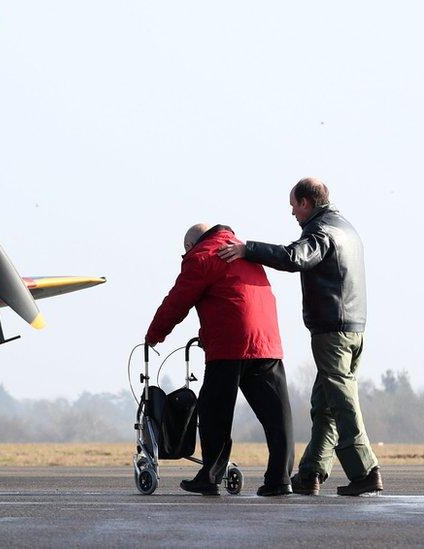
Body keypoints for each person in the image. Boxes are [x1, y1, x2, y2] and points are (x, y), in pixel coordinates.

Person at [219, 178, 382, 496]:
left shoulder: (321, 232)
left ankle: (365, 470)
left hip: (332, 331)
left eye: (294, 204)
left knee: (342, 401)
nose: (292, 212)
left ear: (307, 202)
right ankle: (311, 473)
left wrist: (246, 250)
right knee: (325, 404)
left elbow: (295, 257)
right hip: (353, 328)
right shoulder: (346, 227)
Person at [147, 223, 294, 496]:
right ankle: (280, 479)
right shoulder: (243, 251)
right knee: (276, 414)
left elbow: (177, 302)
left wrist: (155, 334)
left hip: (229, 344)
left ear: (190, 246)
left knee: (215, 410)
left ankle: (210, 475)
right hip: (267, 342)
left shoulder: (202, 256)